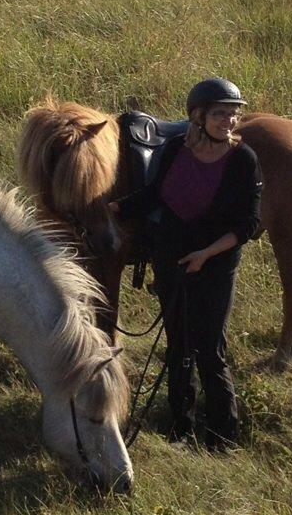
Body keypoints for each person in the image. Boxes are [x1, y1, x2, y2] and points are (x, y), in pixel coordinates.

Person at [110, 78, 262, 452]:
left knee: (210, 348)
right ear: (198, 116)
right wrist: (113, 208)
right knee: (178, 346)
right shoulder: (177, 148)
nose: (228, 121)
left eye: (232, 114)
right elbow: (153, 196)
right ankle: (180, 427)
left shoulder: (243, 159)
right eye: (219, 114)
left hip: (215, 263)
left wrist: (205, 255)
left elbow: (247, 225)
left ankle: (222, 437)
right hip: (172, 259)